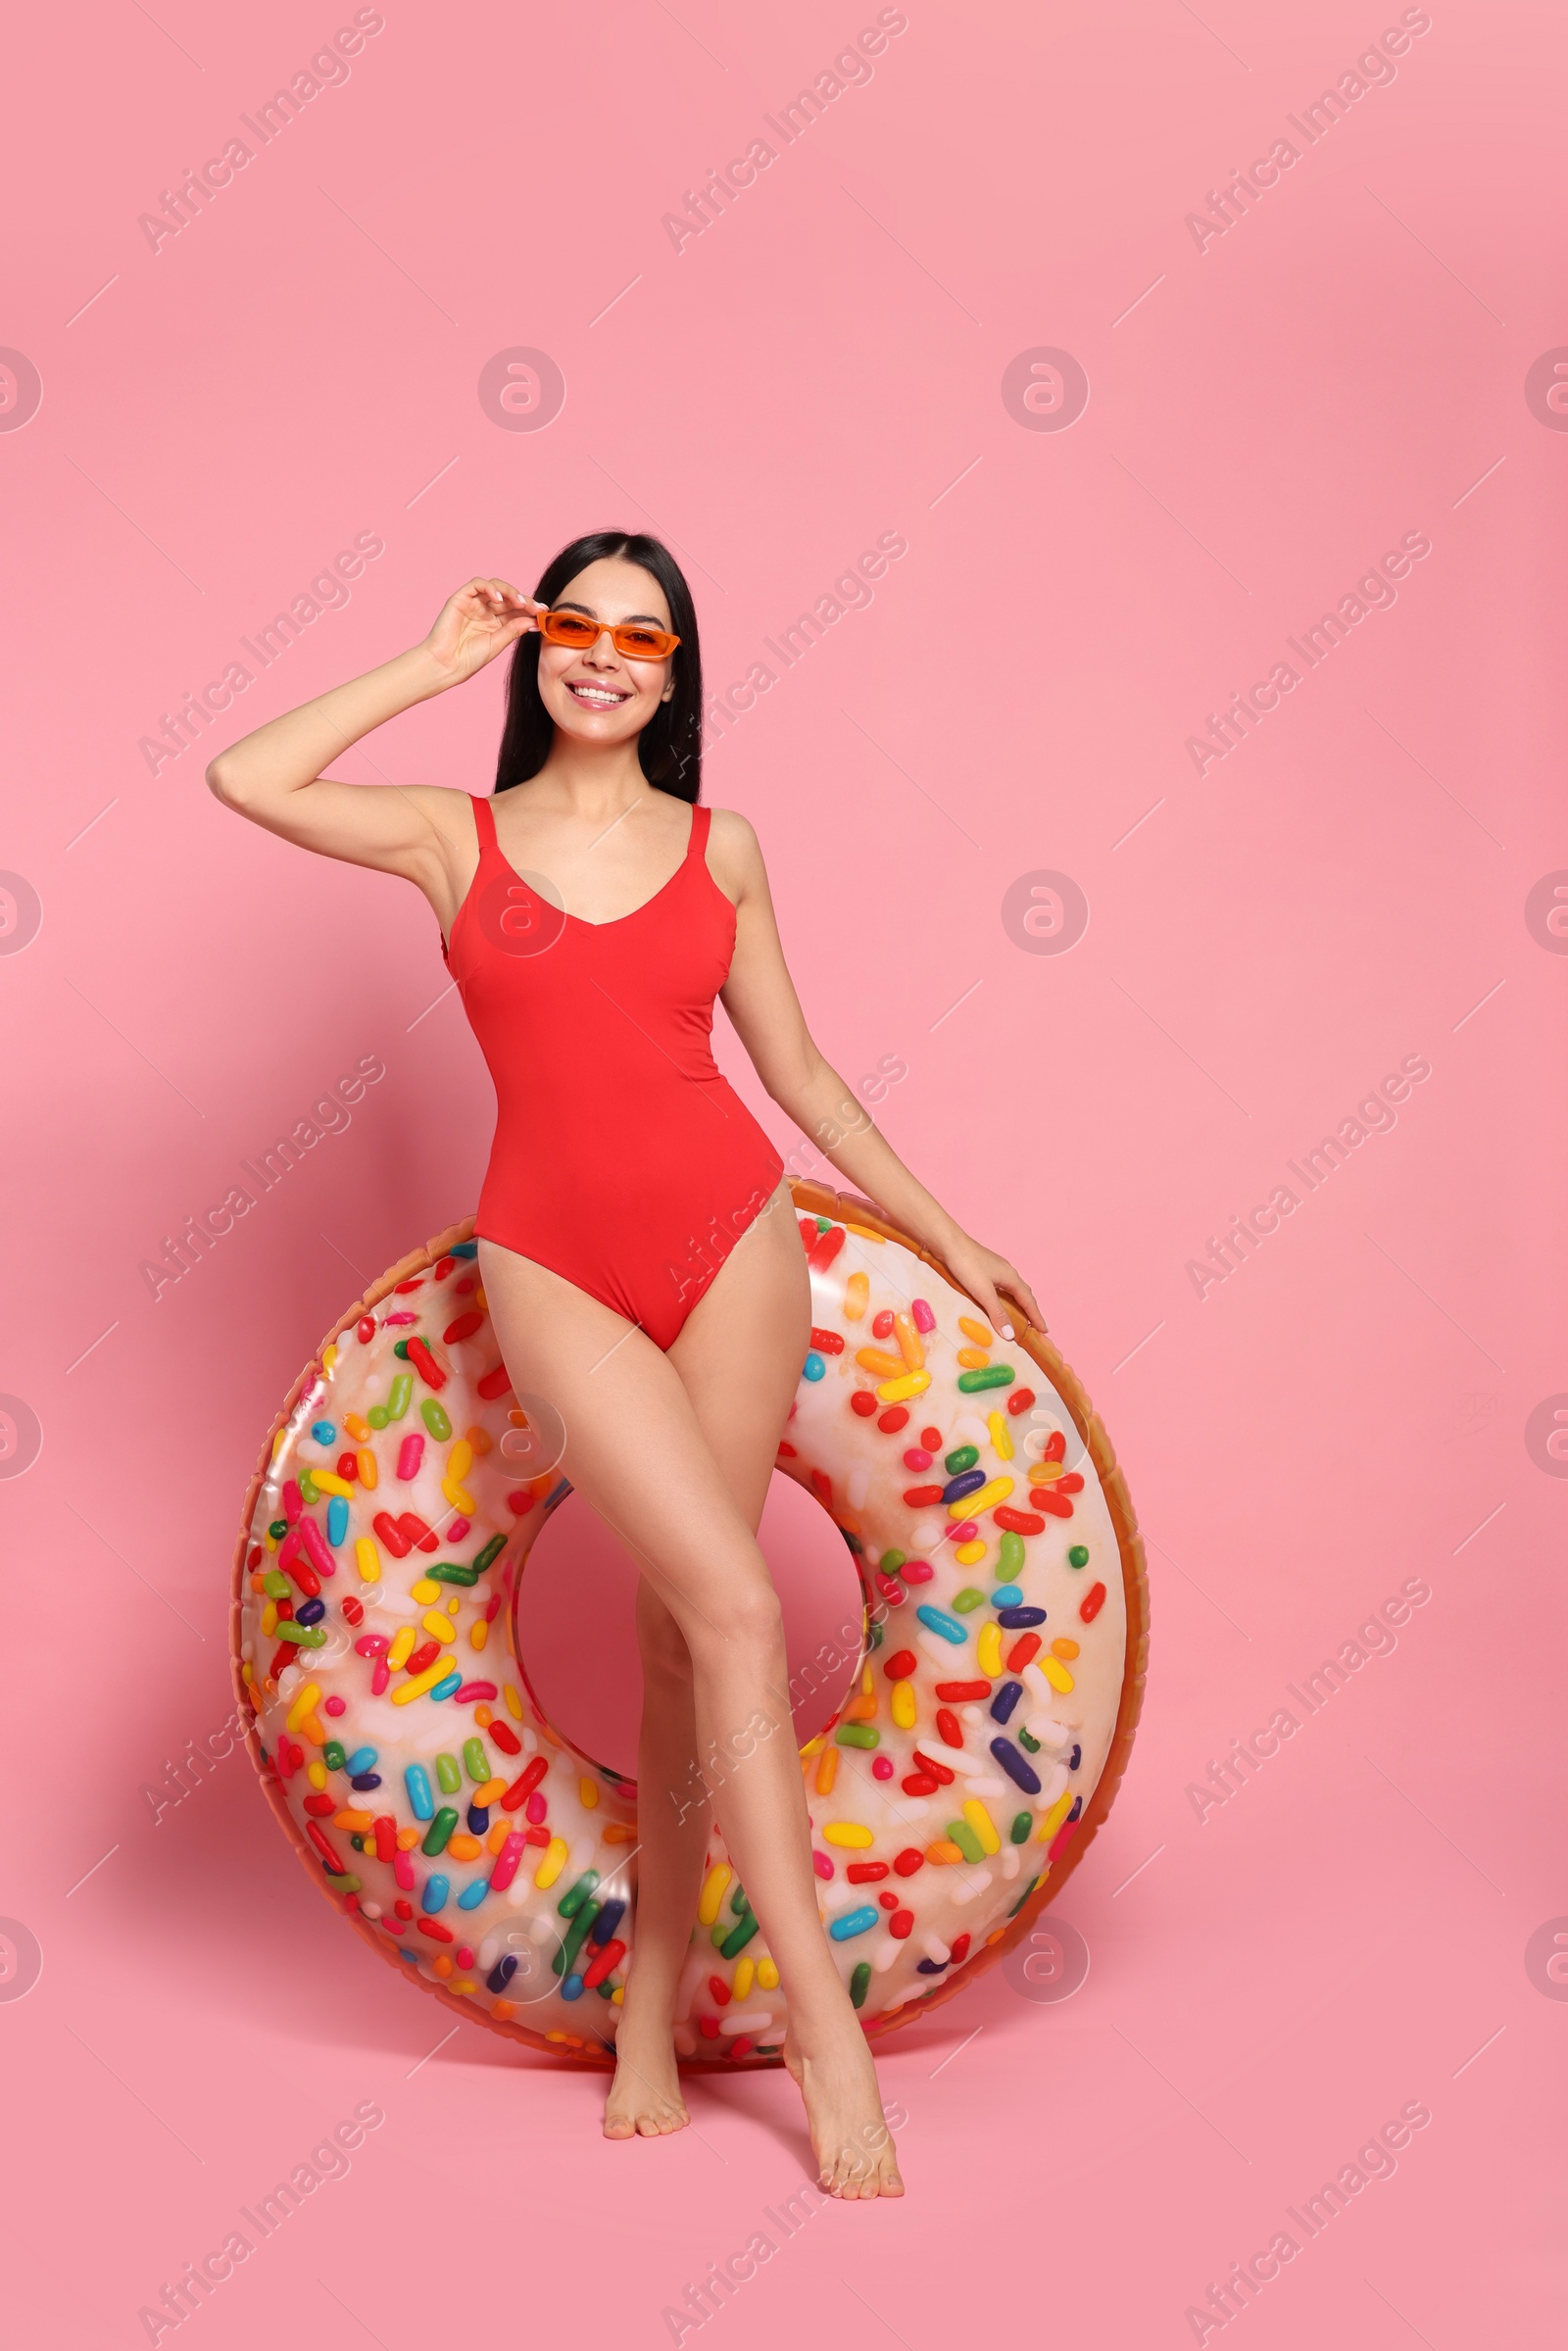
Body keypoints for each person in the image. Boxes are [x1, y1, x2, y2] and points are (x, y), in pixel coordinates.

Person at [207, 529, 1042, 2197]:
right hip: (551, 1263)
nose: (605, 655)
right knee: (736, 1608)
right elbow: (250, 774)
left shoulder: (720, 848)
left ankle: (651, 2003)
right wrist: (428, 668)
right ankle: (825, 2031)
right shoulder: (457, 840)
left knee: (680, 1641)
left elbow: (798, 1076)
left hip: (734, 1242)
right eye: (576, 626)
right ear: (539, 652)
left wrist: (944, 1232)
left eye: (641, 638)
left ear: (674, 675)